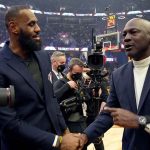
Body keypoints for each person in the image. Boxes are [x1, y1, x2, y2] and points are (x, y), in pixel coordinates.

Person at [0, 5, 81, 150]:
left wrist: (65, 131)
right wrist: (57, 141)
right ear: (14, 27)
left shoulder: (43, 56)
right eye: (31, 24)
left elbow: (51, 99)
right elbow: (8, 122)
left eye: (36, 23)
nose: (38, 29)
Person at [80, 18, 150, 150]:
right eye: (124, 35)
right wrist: (84, 137)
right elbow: (108, 114)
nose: (127, 38)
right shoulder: (118, 75)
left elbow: (136, 120)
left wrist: (140, 121)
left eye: (133, 32)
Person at [53, 58, 88, 149]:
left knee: (82, 146)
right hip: (68, 123)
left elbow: (86, 97)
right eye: (76, 73)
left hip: (81, 120)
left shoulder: (80, 82)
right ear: (70, 70)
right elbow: (53, 98)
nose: (79, 75)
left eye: (80, 73)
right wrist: (67, 86)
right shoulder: (60, 83)